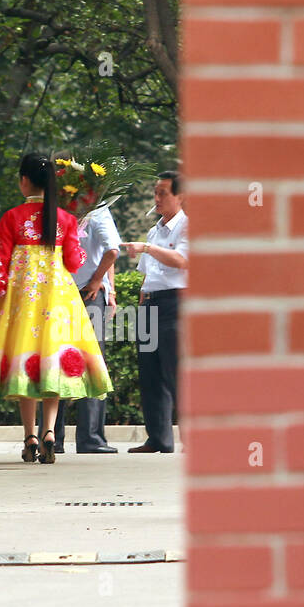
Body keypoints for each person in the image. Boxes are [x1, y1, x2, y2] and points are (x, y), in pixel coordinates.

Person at [0, 152, 113, 464]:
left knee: (27, 361)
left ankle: (30, 436)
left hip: (22, 300)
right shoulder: (64, 219)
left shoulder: (11, 218)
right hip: (58, 299)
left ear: (24, 181)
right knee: (52, 361)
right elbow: (75, 261)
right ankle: (50, 432)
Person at [41, 203, 122, 454]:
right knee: (71, 361)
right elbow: (111, 251)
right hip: (71, 293)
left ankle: (79, 437)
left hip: (84, 293)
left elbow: (112, 251)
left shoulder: (94, 211)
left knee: (79, 362)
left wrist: (104, 285)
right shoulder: (66, 212)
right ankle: (67, 437)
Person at [121, 171, 187, 454]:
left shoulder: (187, 227)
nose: (157, 198)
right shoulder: (154, 230)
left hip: (175, 304)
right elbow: (147, 276)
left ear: (180, 196)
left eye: (163, 193)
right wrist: (141, 303)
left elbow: (181, 261)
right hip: (149, 305)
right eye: (155, 193)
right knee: (150, 374)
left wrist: (148, 247)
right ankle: (158, 438)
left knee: (177, 373)